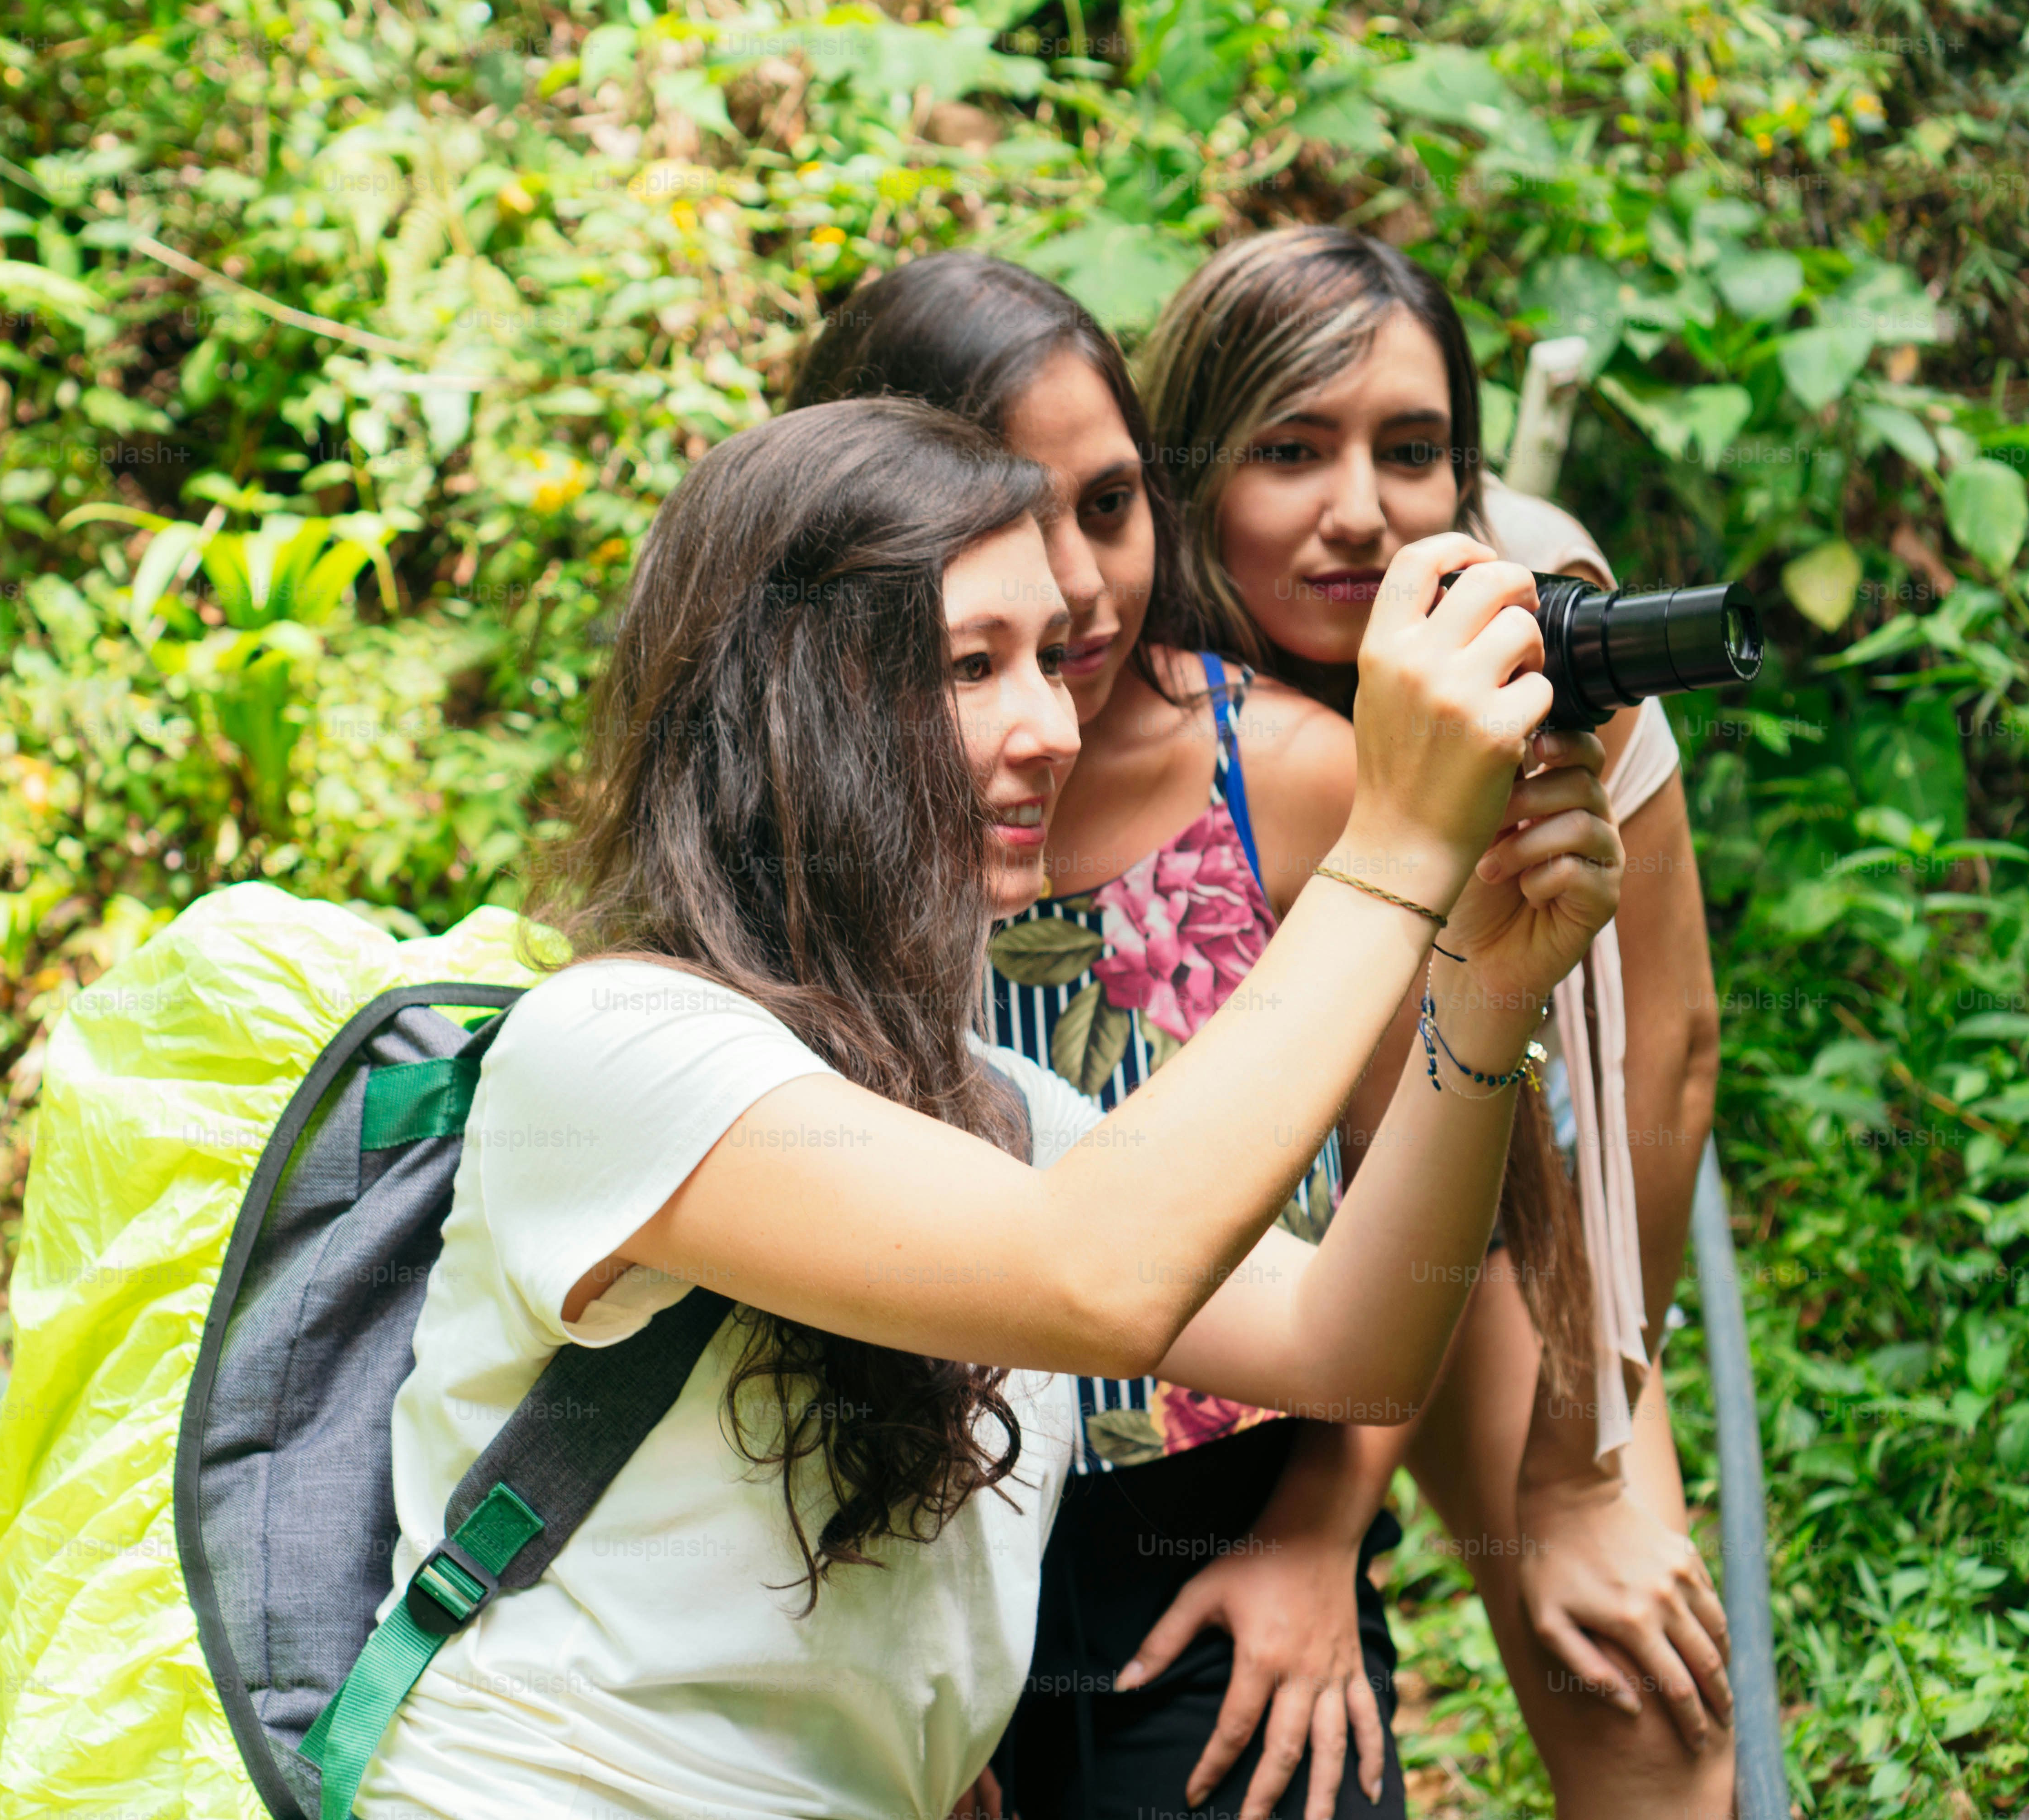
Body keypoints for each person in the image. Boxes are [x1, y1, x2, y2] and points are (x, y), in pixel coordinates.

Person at [348, 394, 1623, 1819]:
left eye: (1051, 660)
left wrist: (1481, 991)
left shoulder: (991, 1107)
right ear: (796, 701)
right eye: (971, 665)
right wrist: (1392, 843)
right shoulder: (618, 1045)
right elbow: (1101, 1275)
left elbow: (1353, 1345)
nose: (1054, 727)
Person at [789, 253, 1413, 1820]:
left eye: (1112, 504)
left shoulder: (1285, 779)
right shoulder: (806, 849)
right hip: (898, 1555)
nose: (1074, 580)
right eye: (1008, 521)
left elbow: (1419, 1209)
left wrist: (1320, 1541)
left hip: (1222, 1541)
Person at [1141, 224, 1736, 1820]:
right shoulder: (1127, 667)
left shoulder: (1547, 628)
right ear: (1188, 472)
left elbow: (1668, 1052)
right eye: (1289, 449)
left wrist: (1583, 1450)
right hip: (1228, 1210)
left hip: (1493, 1188)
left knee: (1644, 1696)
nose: (1360, 510)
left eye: (1411, 453)